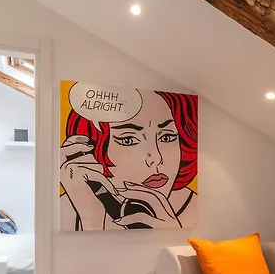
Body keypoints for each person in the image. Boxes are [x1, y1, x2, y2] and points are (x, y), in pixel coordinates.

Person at [60, 89, 198, 231]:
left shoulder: (198, 210)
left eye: (167, 137)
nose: (156, 159)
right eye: (128, 140)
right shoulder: (65, 211)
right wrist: (91, 220)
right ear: (92, 150)